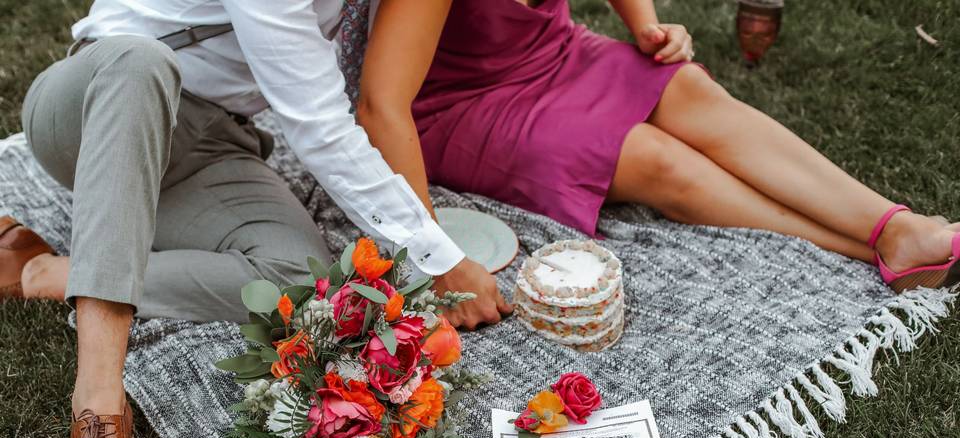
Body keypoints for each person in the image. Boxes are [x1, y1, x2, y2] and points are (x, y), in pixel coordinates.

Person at [0, 0, 510, 438]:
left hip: (207, 143)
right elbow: (316, 122)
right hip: (96, 101)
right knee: (141, 62)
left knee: (294, 279)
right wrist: (436, 255)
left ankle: (55, 270)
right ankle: (97, 409)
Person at [357, 0, 959, 294]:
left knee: (689, 87)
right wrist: (431, 252)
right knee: (650, 156)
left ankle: (893, 228)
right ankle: (867, 246)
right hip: (464, 103)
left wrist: (645, 25)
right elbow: (382, 102)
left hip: (553, 53)